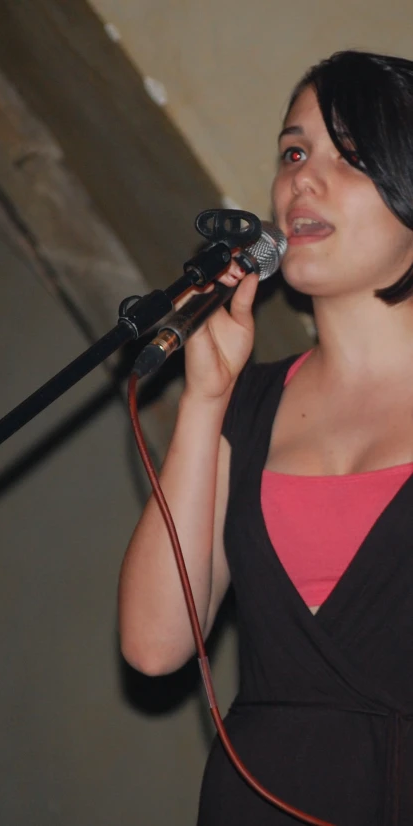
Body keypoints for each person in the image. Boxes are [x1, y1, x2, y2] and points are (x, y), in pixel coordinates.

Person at [118, 50, 413, 825]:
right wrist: (204, 401)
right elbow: (154, 645)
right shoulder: (246, 403)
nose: (301, 180)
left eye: (348, 155)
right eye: (293, 152)